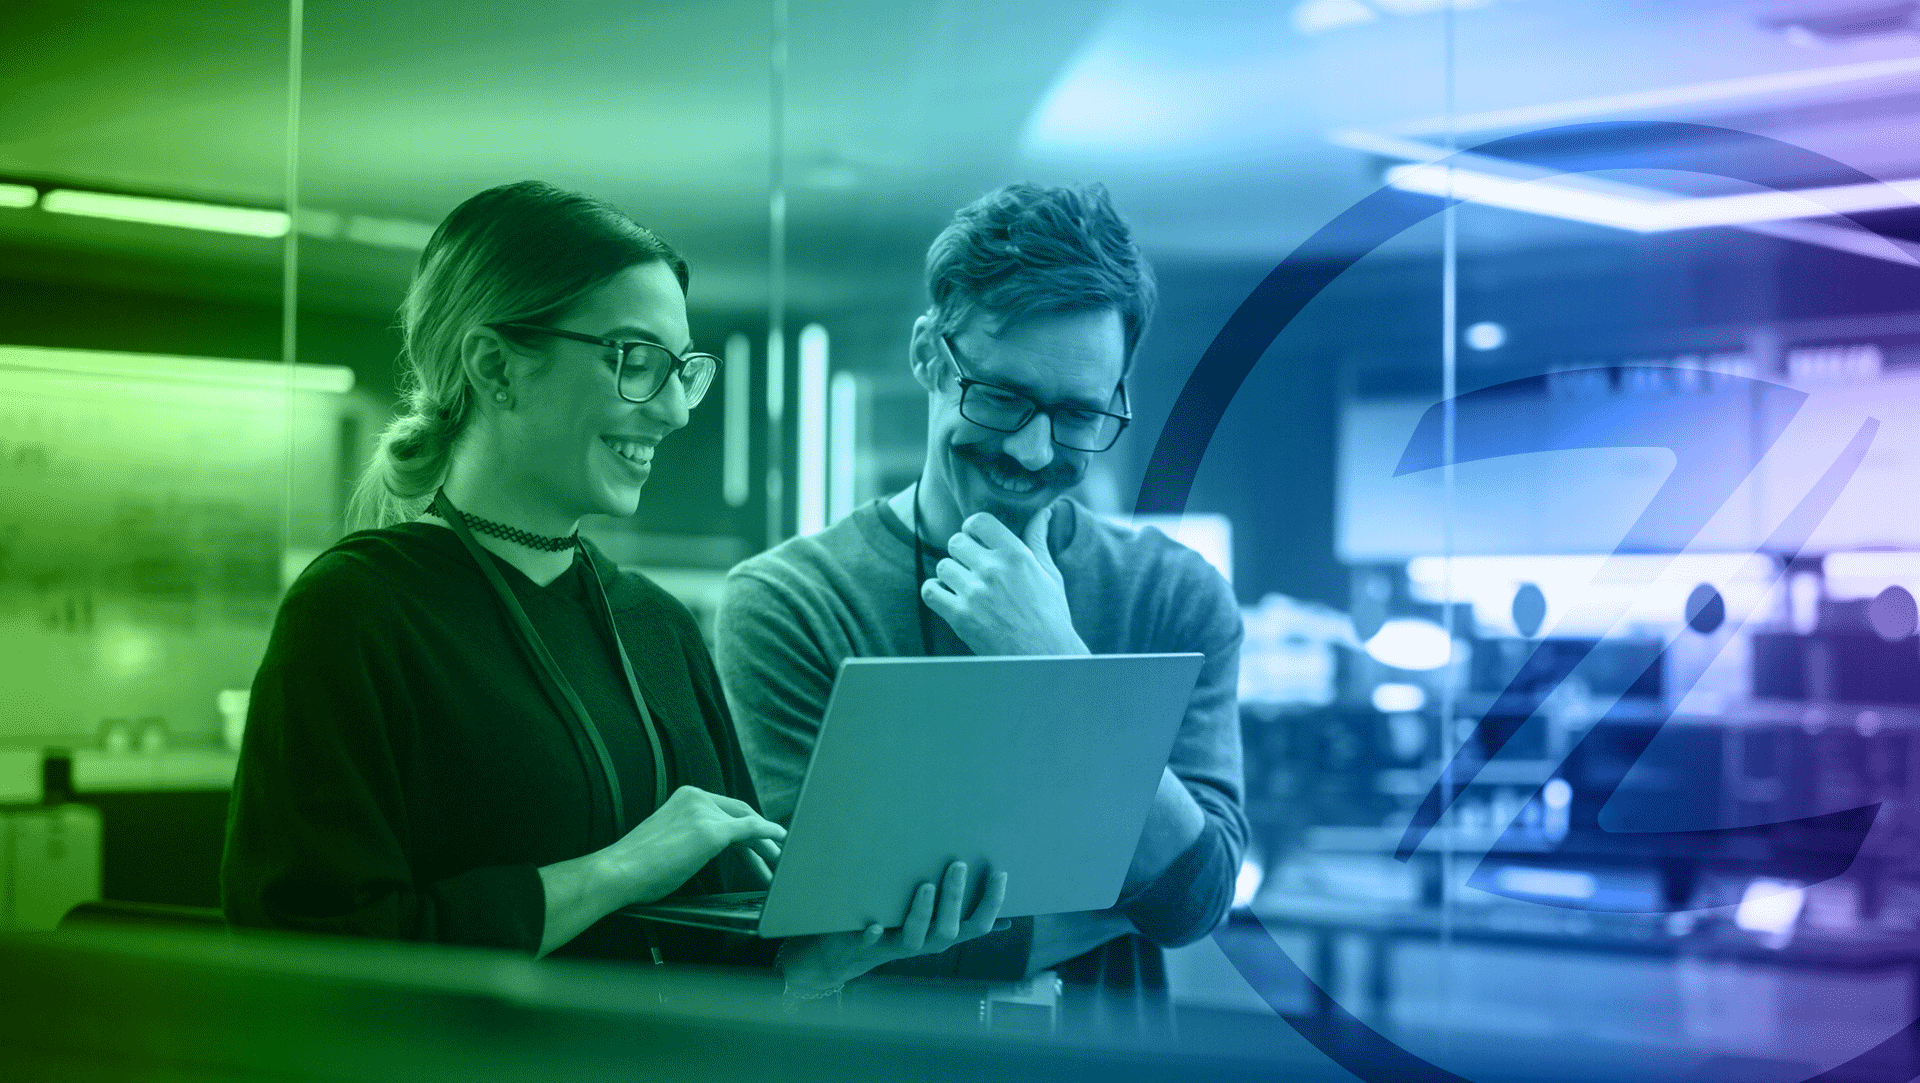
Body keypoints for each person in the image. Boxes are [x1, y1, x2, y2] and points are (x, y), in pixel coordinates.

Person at [222, 180, 1002, 982]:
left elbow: (725, 965)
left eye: (683, 371)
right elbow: (309, 957)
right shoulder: (356, 614)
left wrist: (829, 954)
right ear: (496, 366)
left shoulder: (655, 626)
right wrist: (619, 870)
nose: (672, 411)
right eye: (635, 360)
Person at [715, 183, 1246, 1008]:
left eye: (1077, 414)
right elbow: (814, 926)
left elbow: (1196, 898)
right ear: (930, 353)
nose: (1033, 452)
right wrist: (1113, 902)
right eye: (1000, 398)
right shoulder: (789, 602)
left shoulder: (1174, 595)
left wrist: (1057, 664)